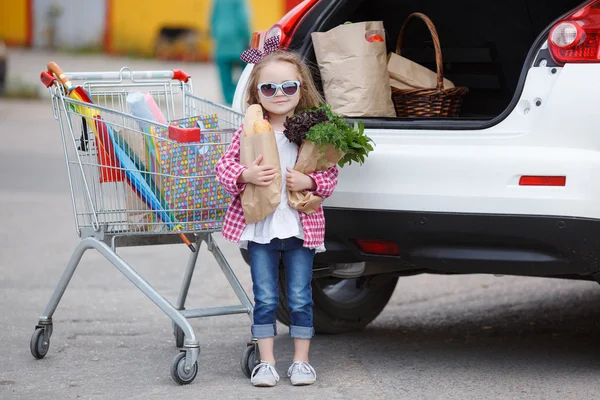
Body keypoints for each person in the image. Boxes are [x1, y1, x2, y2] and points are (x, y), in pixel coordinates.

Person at [215, 43, 339, 387]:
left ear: (302, 89)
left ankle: (301, 361)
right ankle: (266, 362)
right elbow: (223, 168)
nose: (279, 94)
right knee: (266, 296)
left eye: (289, 86)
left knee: (300, 295)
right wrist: (245, 175)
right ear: (257, 91)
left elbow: (330, 175)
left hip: (300, 229)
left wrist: (309, 180)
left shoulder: (312, 132)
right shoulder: (250, 129)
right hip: (261, 229)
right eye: (269, 87)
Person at [210, 0, 251, 105]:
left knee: (224, 71)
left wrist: (216, 35)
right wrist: (247, 37)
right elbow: (243, 19)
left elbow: (213, 19)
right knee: (245, 71)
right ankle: (242, 95)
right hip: (237, 40)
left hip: (221, 39)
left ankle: (229, 98)